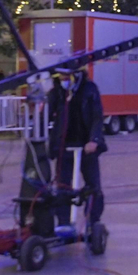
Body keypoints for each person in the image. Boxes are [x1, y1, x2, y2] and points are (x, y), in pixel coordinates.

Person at [50, 65, 106, 230]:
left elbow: (97, 115)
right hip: (64, 146)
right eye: (61, 77)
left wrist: (94, 140)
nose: (63, 81)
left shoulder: (89, 89)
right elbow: (45, 113)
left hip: (86, 146)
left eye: (66, 77)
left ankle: (93, 221)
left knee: (93, 185)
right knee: (62, 186)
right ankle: (63, 223)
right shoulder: (57, 91)